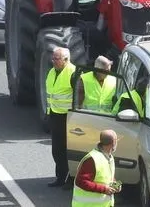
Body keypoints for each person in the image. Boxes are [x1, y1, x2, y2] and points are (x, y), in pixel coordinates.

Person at [46, 46, 76, 188]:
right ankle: (60, 177)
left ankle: (70, 179)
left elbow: (79, 96)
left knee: (68, 149)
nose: (53, 61)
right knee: (56, 150)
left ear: (66, 60)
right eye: (53, 58)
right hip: (55, 114)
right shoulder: (52, 72)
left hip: (68, 117)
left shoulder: (73, 73)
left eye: (57, 59)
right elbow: (51, 94)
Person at [71, 130, 120, 207]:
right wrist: (104, 189)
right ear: (113, 142)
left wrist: (116, 184)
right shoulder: (92, 159)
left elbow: (107, 176)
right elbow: (81, 181)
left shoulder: (109, 157)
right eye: (117, 140)